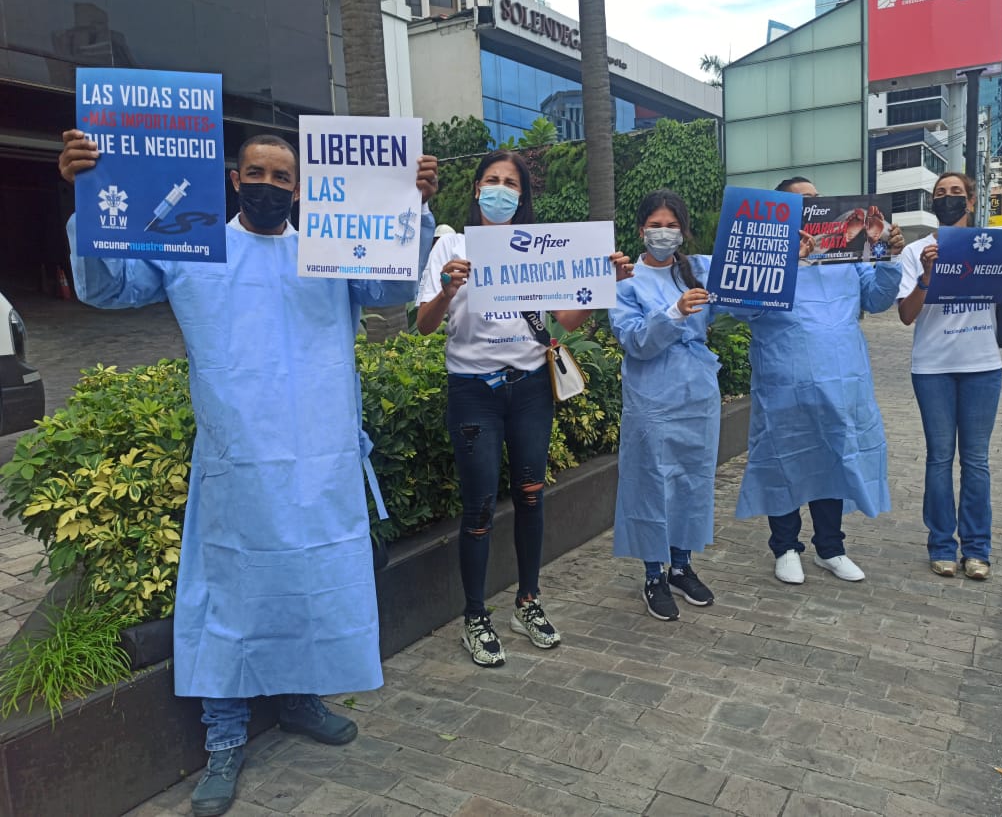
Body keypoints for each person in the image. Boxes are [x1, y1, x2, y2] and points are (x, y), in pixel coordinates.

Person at [58, 129, 438, 817]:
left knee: (307, 583)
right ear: (236, 179)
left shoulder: (329, 252)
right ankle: (225, 738)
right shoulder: (196, 248)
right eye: (256, 172)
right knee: (229, 598)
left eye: (282, 176)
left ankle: (297, 699)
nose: (268, 184)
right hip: (238, 463)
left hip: (319, 461)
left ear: (300, 189)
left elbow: (389, 286)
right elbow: (110, 287)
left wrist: (410, 211)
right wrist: (87, 197)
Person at [415, 150, 632, 667]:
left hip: (531, 388)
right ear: (475, 189)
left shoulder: (539, 251)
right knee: (480, 507)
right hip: (474, 392)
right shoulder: (451, 245)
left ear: (522, 195)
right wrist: (448, 289)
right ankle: (474, 616)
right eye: (491, 180)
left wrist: (602, 288)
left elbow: (555, 331)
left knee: (532, 496)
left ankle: (527, 601)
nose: (500, 189)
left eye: (511, 183)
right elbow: (423, 325)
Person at [735, 177, 906, 585]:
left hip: (841, 377)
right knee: (785, 457)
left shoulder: (847, 254)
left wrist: (888, 258)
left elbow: (877, 299)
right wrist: (784, 262)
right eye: (801, 203)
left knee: (834, 455)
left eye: (816, 200)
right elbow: (742, 308)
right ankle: (786, 546)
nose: (812, 207)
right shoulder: (762, 257)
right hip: (784, 379)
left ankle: (831, 548)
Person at [896, 171, 1002, 580]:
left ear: (971, 202)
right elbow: (906, 315)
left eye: (956, 193)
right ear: (933, 201)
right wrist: (925, 276)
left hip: (982, 366)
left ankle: (977, 549)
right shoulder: (918, 250)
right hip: (932, 368)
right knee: (939, 458)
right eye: (941, 193)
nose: (948, 198)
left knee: (976, 461)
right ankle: (941, 544)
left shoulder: (993, 244)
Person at [610, 190, 719, 621]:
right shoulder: (625, 280)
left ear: (684, 231)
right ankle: (653, 573)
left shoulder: (701, 270)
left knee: (693, 478)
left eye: (672, 226)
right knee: (651, 480)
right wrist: (674, 312)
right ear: (641, 230)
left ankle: (681, 564)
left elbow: (746, 297)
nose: (664, 233)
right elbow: (635, 340)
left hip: (697, 391)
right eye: (656, 225)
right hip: (651, 391)